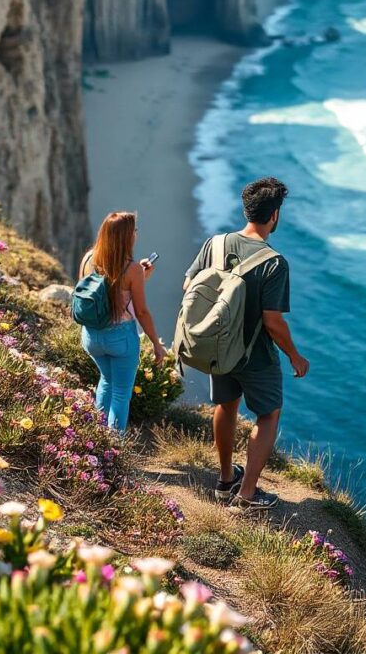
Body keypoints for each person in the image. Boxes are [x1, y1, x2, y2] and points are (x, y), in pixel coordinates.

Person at [183, 177, 309, 510]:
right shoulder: (274, 263)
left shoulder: (216, 243)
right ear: (275, 215)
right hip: (255, 356)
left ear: (246, 209)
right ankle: (248, 493)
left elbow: (189, 287)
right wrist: (295, 356)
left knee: (226, 406)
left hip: (218, 348)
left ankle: (226, 480)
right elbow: (273, 321)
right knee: (268, 415)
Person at [79, 211, 166, 432]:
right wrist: (156, 344)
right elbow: (142, 312)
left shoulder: (89, 258)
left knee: (106, 381)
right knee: (120, 393)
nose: (136, 234)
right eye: (134, 231)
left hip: (92, 335)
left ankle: (96, 439)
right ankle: (114, 451)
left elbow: (100, 292)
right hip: (120, 338)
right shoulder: (132, 269)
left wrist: (140, 278)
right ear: (127, 236)